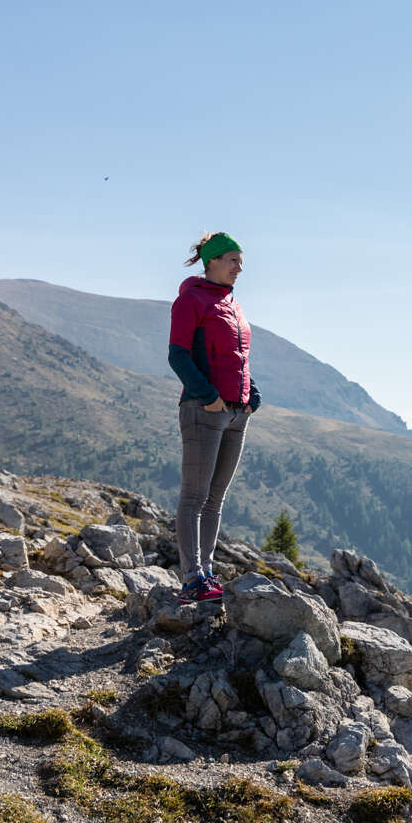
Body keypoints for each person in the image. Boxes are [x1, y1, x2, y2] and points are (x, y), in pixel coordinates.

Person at [168, 231, 261, 603]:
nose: (240, 268)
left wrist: (251, 393)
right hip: (204, 410)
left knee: (215, 498)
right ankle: (192, 578)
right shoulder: (190, 300)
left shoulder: (232, 304)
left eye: (241, 261)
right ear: (213, 261)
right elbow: (178, 355)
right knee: (194, 496)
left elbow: (236, 356)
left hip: (237, 413)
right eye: (234, 260)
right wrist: (208, 397)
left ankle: (206, 572)